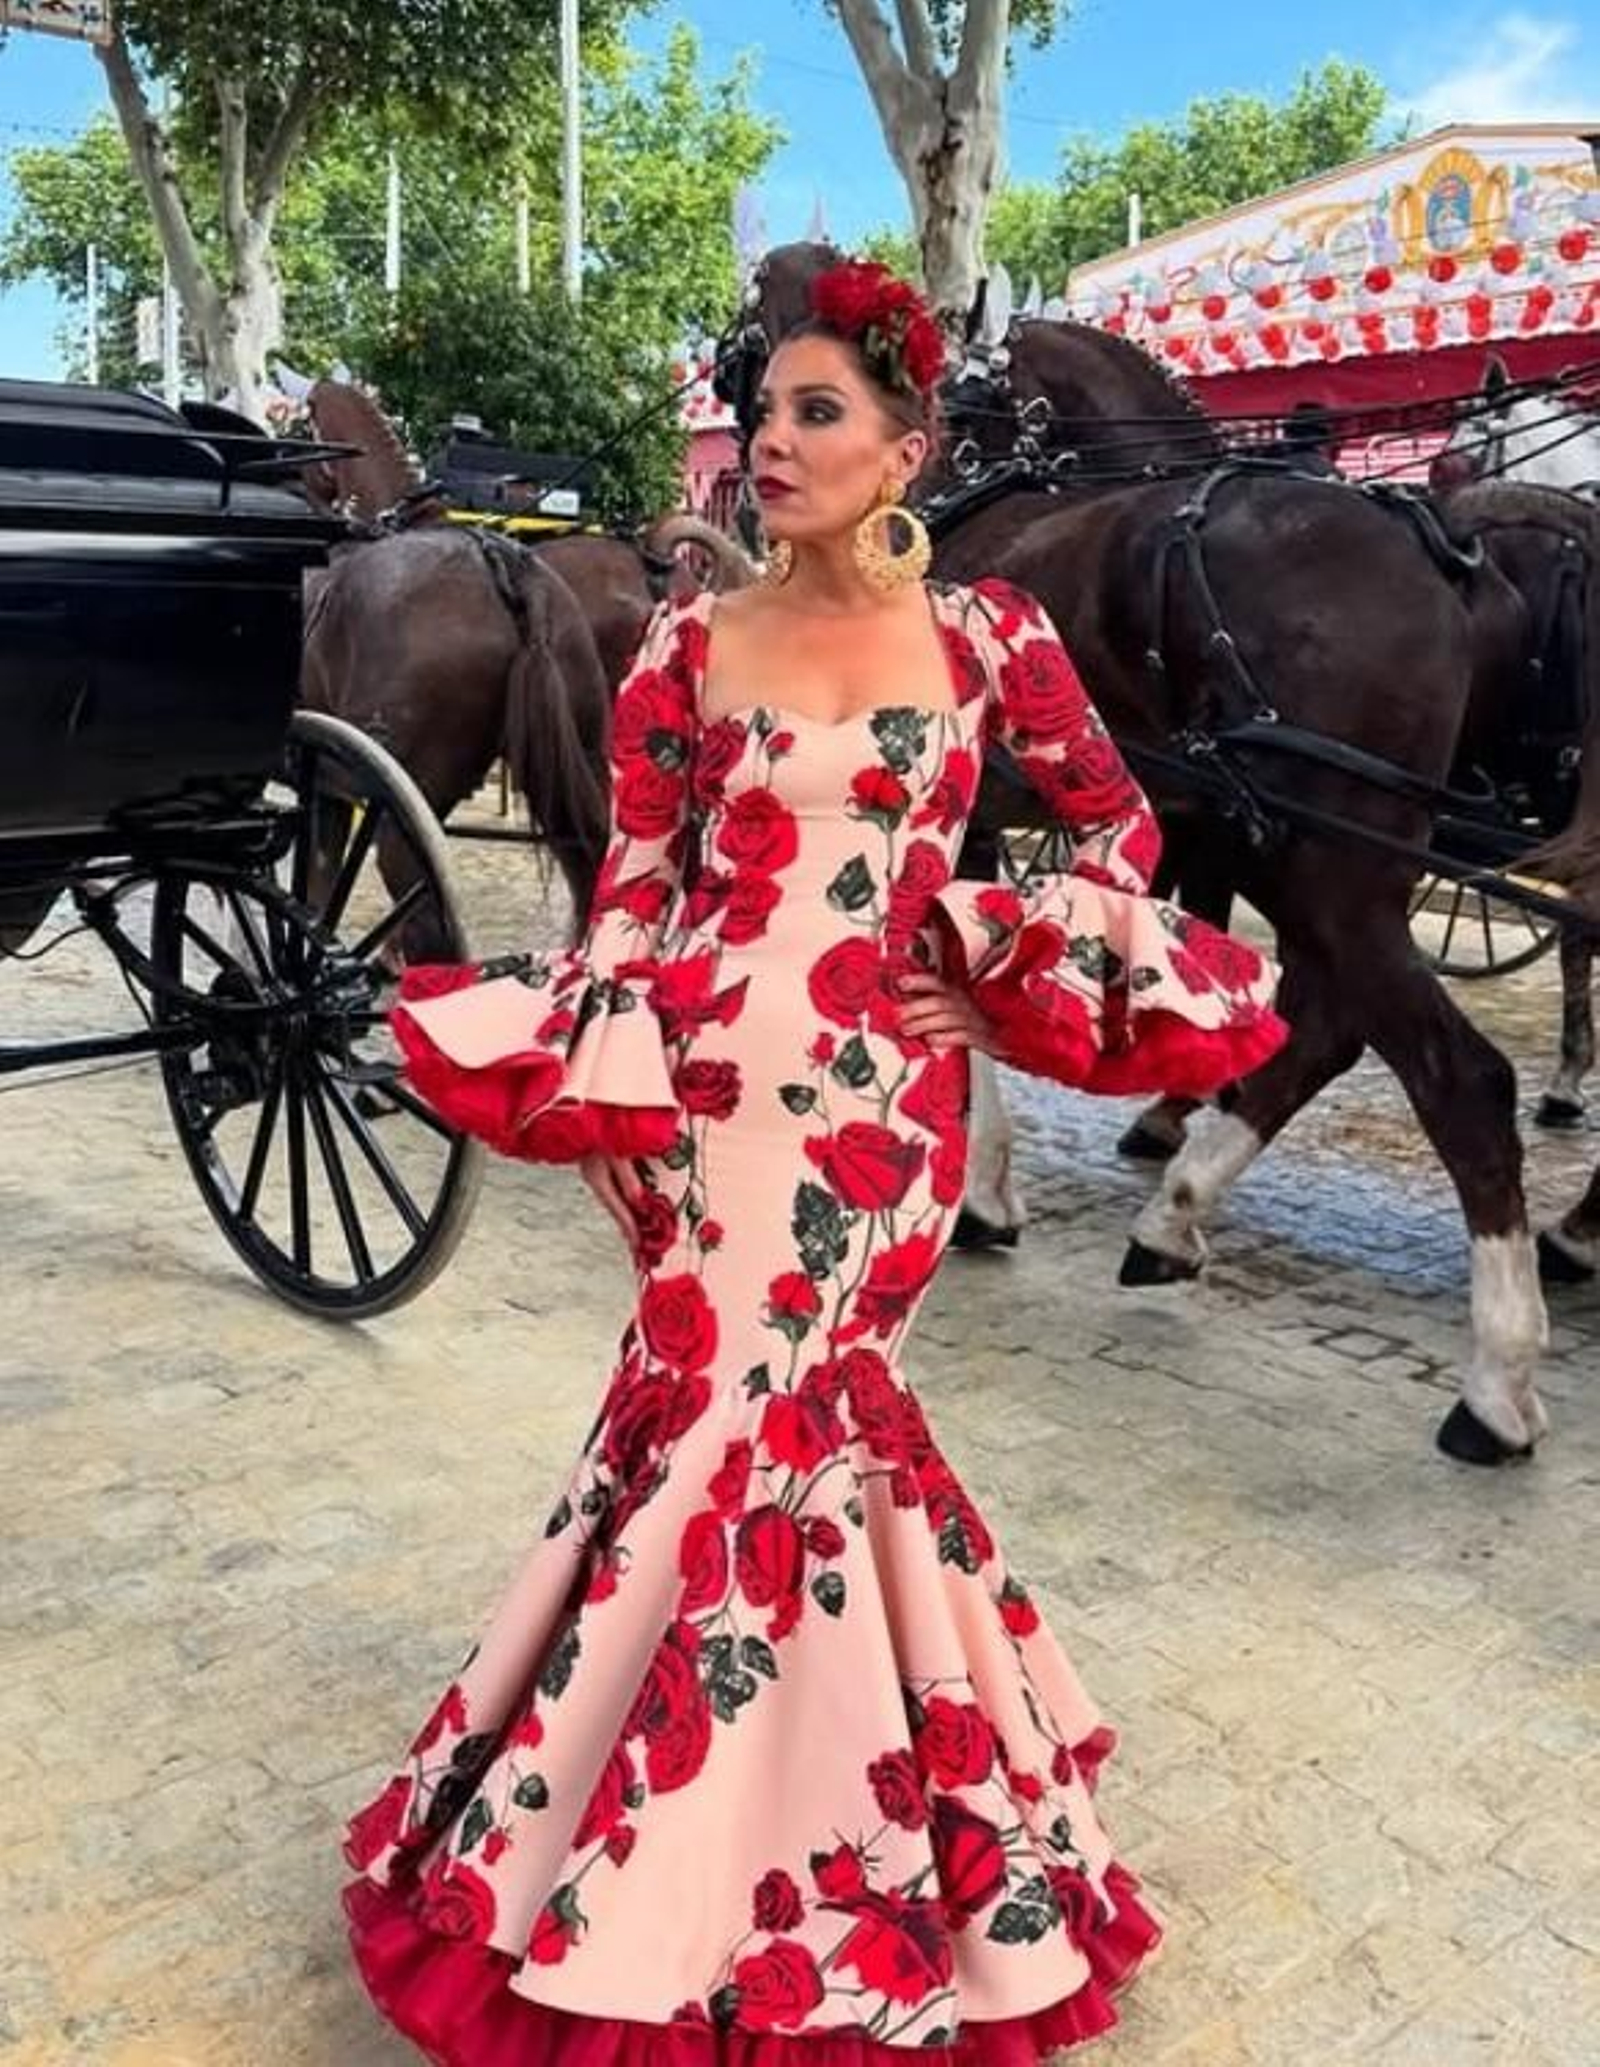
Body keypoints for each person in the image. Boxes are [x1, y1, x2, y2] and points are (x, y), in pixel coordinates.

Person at [342, 259, 1286, 2062]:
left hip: (877, 1125)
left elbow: (1123, 823)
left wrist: (987, 977)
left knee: (792, 1434)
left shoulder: (995, 639)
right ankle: (696, 1868)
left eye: (816, 414)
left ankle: (756, 1875)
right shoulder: (686, 648)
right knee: (699, 1436)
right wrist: (611, 1101)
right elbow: (633, 892)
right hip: (706, 1104)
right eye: (764, 411)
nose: (772, 441)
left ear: (904, 449)